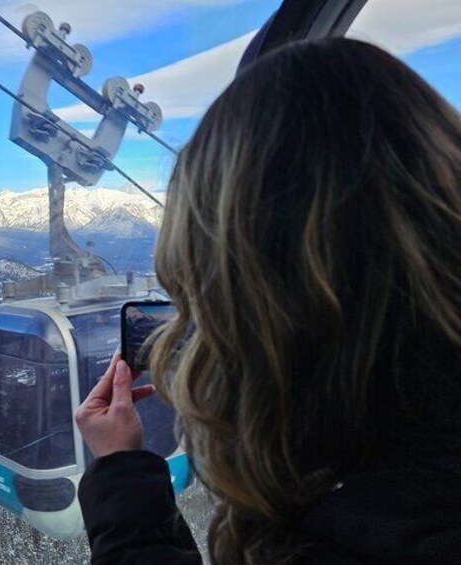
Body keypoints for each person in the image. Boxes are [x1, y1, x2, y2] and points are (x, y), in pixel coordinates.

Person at [75, 37, 461, 565]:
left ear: (265, 326)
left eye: (202, 312)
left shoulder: (338, 526)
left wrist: (121, 475)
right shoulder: (406, 489)